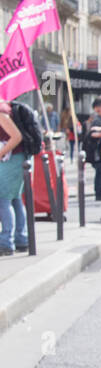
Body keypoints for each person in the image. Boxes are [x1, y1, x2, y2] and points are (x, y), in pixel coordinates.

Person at [0, 100, 28, 255]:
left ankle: (6, 243)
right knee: (15, 199)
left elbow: (16, 136)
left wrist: (1, 152)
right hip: (16, 159)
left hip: (12, 160)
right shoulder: (4, 107)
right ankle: (21, 239)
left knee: (3, 199)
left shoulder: (1, 110)